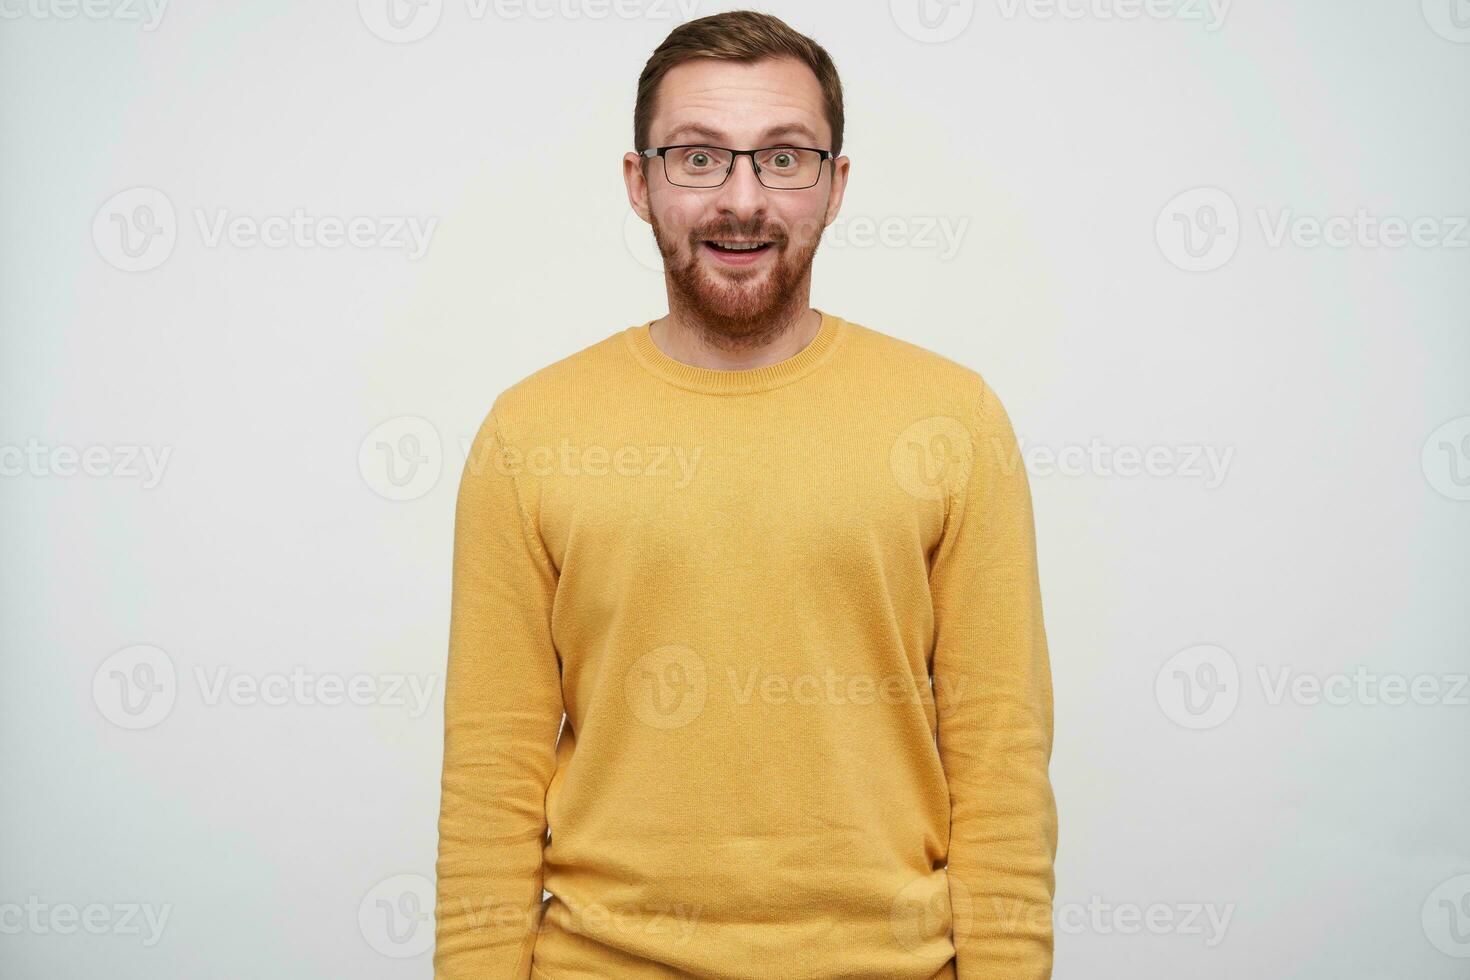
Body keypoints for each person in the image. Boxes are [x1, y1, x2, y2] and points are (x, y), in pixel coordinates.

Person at [432, 10, 1057, 979]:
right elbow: (489, 776)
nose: (742, 199)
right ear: (640, 183)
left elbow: (999, 760)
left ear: (836, 185)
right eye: (698, 158)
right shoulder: (530, 431)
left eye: (785, 158)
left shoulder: (954, 420)